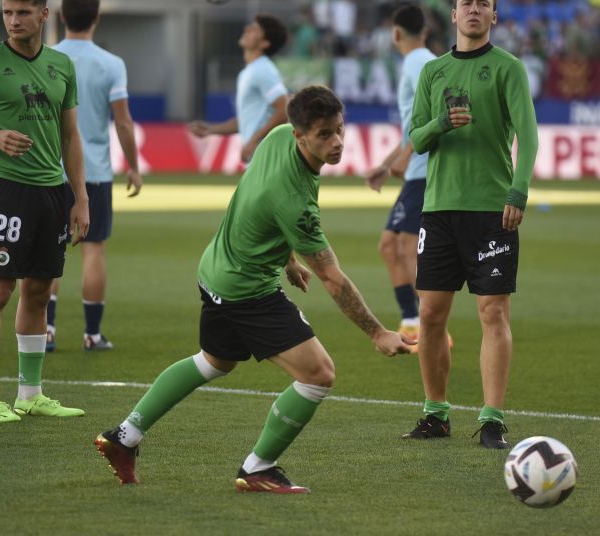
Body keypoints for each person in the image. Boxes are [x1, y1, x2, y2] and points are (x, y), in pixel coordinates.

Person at [94, 85, 415, 492]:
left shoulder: (279, 136)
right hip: (246, 289)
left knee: (213, 362)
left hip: (216, 270)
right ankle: (258, 467)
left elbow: (254, 201)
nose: (336, 143)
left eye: (339, 129)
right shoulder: (295, 200)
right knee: (318, 375)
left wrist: (287, 258)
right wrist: (377, 332)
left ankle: (124, 436)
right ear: (300, 135)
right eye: (324, 135)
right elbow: (333, 278)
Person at [400, 0, 539, 449]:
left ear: (494, 16)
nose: (475, 9)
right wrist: (441, 122)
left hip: (490, 210)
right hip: (438, 208)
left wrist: (517, 192)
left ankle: (493, 419)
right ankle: (435, 413)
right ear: (454, 14)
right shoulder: (433, 72)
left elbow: (529, 135)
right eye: (467, 3)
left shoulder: (508, 68)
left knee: (492, 312)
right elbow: (416, 138)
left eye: (484, 3)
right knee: (431, 314)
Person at [0, 0, 89, 422]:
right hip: (7, 189)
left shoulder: (62, 66)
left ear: (44, 15)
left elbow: (71, 135)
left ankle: (30, 393)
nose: (13, 20)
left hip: (52, 192)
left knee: (39, 291)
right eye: (8, 12)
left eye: (23, 12)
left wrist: (80, 197)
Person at [45, 0, 143, 353]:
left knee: (49, 253)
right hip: (96, 172)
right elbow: (123, 122)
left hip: (50, 172)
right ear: (97, 18)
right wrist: (133, 166)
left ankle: (46, 330)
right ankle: (92, 334)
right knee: (93, 250)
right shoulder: (111, 63)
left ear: (60, 17)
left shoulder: (46, 58)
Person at [365, 4, 451, 353]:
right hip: (416, 168)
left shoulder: (417, 63)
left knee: (408, 248)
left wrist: (403, 157)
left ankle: (434, 329)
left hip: (424, 169)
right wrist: (388, 164)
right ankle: (413, 321)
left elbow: (434, 112)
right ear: (425, 32)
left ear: (395, 34)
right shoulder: (422, 61)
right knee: (390, 245)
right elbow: (412, 126)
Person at [188, 14, 289, 164]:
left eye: (255, 29)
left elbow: (284, 109)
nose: (247, 29)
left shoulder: (263, 70)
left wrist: (254, 141)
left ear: (265, 43)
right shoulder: (248, 72)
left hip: (268, 157)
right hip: (260, 158)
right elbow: (247, 119)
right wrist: (210, 130)